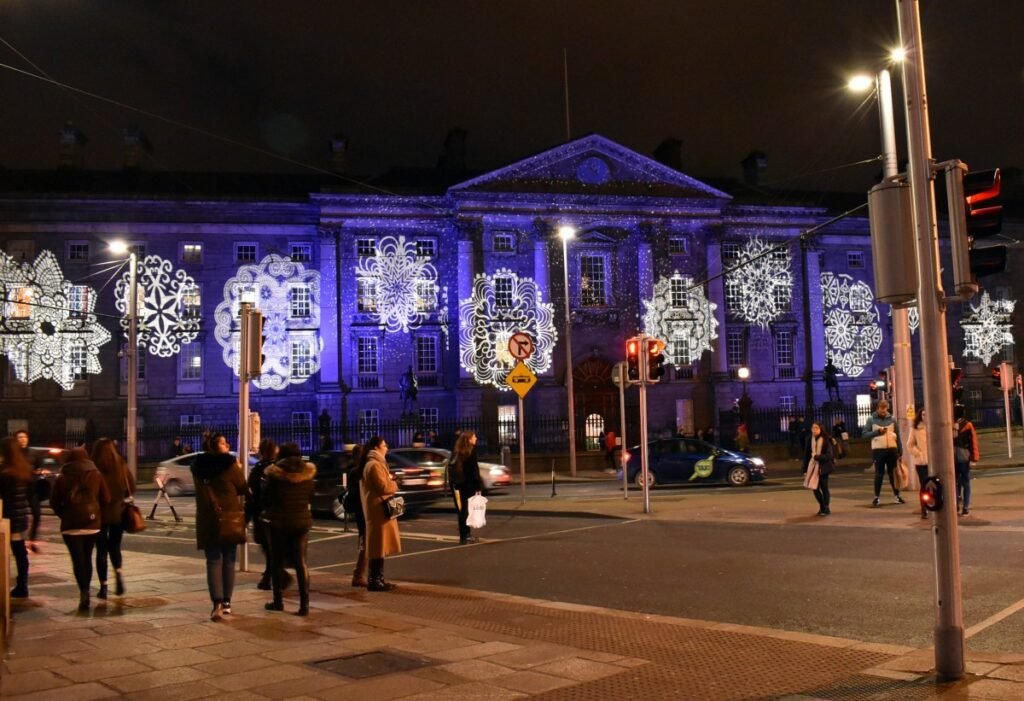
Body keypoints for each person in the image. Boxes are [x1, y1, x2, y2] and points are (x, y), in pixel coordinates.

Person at [191, 432, 247, 621]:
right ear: (216, 447)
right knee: (229, 559)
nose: (227, 444)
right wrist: (238, 467)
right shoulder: (230, 465)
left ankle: (216, 603)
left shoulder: (197, 466)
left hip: (208, 517)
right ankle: (227, 601)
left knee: (213, 560)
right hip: (230, 516)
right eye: (223, 442)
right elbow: (242, 488)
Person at [49, 447, 111, 611]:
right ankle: (87, 589)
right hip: (92, 524)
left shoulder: (62, 476)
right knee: (88, 557)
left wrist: (65, 515)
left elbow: (53, 502)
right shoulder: (96, 474)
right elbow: (106, 498)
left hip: (71, 525)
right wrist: (96, 512)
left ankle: (83, 592)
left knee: (77, 560)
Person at [262, 442, 315, 616]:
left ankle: (278, 601)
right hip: (301, 522)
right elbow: (310, 496)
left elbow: (267, 497)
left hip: (279, 521)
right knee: (301, 563)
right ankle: (304, 605)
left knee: (277, 562)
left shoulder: (275, 474)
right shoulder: (307, 474)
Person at [92, 438, 135, 599]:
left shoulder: (94, 468)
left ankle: (103, 587)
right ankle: (118, 574)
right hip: (118, 513)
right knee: (115, 547)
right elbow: (131, 488)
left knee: (101, 550)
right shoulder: (121, 466)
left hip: (99, 514)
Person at [360, 436, 401, 591]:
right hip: (378, 509)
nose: (387, 447)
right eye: (384, 445)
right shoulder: (374, 465)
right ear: (377, 447)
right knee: (377, 545)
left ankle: (378, 578)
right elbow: (383, 487)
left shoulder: (375, 463)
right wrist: (395, 483)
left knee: (380, 545)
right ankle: (375, 580)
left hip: (379, 508)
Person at [0, 437, 33, 598]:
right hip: (21, 518)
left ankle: (20, 585)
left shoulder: (5, 472)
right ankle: (22, 584)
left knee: (11, 553)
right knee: (20, 553)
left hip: (8, 518)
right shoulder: (23, 469)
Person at [247, 438, 279, 591]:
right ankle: (270, 574)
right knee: (273, 547)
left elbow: (251, 494)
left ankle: (270, 577)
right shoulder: (280, 467)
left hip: (262, 513)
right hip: (278, 513)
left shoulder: (258, 469)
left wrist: (247, 516)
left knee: (268, 547)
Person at [864, 399, 904, 507]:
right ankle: (876, 497)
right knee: (879, 474)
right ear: (877, 408)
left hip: (892, 450)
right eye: (881, 409)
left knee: (893, 474)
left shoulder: (892, 419)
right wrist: (877, 432)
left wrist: (900, 451)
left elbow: (898, 435)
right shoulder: (871, 420)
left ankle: (897, 496)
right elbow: (864, 434)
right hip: (878, 450)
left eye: (885, 409)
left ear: (887, 408)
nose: (883, 411)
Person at [450, 430, 484, 545]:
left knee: (462, 510)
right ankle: (466, 536)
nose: (476, 438)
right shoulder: (471, 452)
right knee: (466, 511)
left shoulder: (457, 452)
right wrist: (478, 486)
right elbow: (474, 470)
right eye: (474, 437)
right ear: (469, 439)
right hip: (468, 484)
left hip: (458, 484)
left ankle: (463, 535)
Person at [14, 429, 43, 547]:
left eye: (24, 437)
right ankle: (17, 536)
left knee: (37, 513)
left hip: (31, 488)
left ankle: (32, 538)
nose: (22, 439)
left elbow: (39, 467)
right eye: (20, 437)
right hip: (18, 489)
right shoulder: (14, 454)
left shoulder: (33, 453)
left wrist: (38, 471)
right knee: (18, 515)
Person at [344, 445, 367, 587]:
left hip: (361, 512)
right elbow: (356, 494)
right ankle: (358, 574)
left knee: (365, 543)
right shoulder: (356, 472)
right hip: (362, 512)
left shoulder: (355, 471)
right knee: (365, 543)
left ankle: (361, 573)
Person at [802, 422, 835, 516]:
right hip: (812, 466)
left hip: (823, 466)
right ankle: (822, 506)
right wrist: (804, 469)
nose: (814, 430)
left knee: (824, 487)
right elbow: (806, 455)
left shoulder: (826, 439)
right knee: (814, 487)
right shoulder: (809, 439)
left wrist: (817, 457)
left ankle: (827, 507)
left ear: (821, 429)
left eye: (816, 428)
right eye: (813, 428)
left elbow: (829, 455)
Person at [954, 406, 980, 516]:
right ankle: (965, 507)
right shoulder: (968, 425)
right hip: (964, 456)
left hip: (952, 457)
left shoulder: (948, 424)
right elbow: (973, 441)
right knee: (966, 482)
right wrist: (974, 457)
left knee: (955, 482)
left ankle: (956, 505)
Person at [907, 408, 930, 519]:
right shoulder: (916, 429)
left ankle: (933, 504)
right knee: (924, 485)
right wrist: (919, 453)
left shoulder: (934, 427)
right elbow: (910, 445)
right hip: (921, 462)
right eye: (923, 414)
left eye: (927, 414)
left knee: (934, 484)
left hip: (933, 461)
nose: (925, 416)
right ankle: (924, 508)